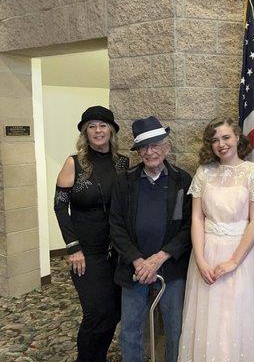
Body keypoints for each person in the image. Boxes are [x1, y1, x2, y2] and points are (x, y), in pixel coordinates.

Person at [178, 117, 254, 362]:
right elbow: (196, 218)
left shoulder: (253, 173)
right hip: (207, 252)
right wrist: (200, 258)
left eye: (226, 137)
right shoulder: (203, 173)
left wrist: (233, 261)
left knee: (234, 319)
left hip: (240, 256)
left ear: (237, 137)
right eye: (215, 140)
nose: (221, 144)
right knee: (209, 320)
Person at [109, 116, 192, 362]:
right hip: (134, 269)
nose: (150, 151)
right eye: (144, 147)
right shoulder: (124, 181)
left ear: (166, 147)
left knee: (175, 329)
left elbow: (188, 228)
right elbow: (116, 226)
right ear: (138, 152)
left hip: (171, 267)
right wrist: (138, 261)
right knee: (130, 331)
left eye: (156, 144)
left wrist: (158, 258)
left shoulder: (182, 180)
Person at [54, 105, 129, 362]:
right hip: (86, 254)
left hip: (116, 253)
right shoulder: (73, 163)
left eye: (103, 125)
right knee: (96, 312)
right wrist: (73, 247)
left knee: (114, 311)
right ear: (85, 132)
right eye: (92, 126)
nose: (98, 131)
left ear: (111, 130)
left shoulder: (122, 163)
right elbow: (60, 206)